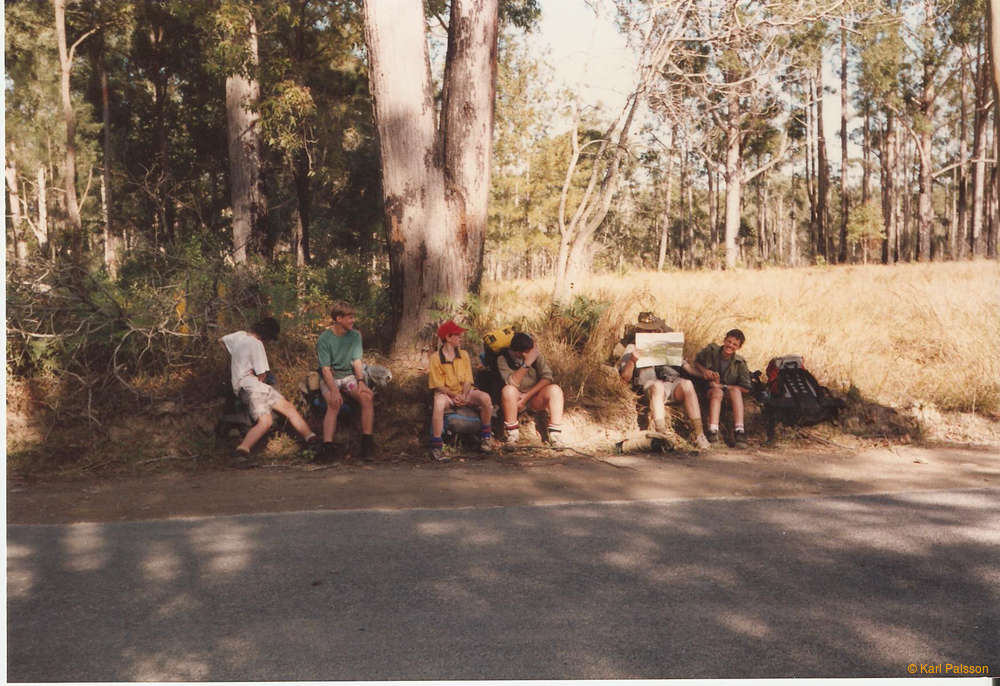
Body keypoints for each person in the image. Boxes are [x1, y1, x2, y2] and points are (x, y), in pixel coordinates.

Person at [221, 318, 318, 464]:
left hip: (245, 386)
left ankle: (311, 438)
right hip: (254, 388)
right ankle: (242, 451)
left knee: (287, 409)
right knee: (266, 421)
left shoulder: (239, 336)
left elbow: (221, 341)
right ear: (265, 335)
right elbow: (262, 374)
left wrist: (237, 361)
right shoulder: (257, 344)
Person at [617, 313, 710, 450]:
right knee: (658, 386)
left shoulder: (667, 345)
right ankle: (662, 435)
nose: (652, 332)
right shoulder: (632, 348)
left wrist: (704, 374)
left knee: (687, 384)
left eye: (654, 329)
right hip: (651, 386)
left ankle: (699, 435)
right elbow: (624, 377)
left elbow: (688, 369)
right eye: (647, 330)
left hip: (671, 383)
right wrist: (632, 361)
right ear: (640, 331)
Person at [427, 320, 494, 461]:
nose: (460, 338)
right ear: (448, 338)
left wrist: (463, 395)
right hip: (447, 394)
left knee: (486, 398)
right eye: (457, 335)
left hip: (464, 392)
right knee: (438, 403)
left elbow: (468, 379)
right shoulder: (435, 358)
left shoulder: (464, 354)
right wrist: (454, 395)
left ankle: (486, 438)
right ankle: (436, 446)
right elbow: (437, 385)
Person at [316, 302, 375, 461]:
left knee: (366, 397)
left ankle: (367, 444)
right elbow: (325, 369)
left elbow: (357, 361)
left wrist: (361, 381)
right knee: (334, 403)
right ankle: (327, 446)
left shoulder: (355, 335)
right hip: (330, 377)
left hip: (349, 376)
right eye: (350, 317)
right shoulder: (325, 339)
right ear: (338, 318)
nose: (353, 320)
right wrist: (334, 390)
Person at [496, 332, 565, 447]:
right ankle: (512, 435)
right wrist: (527, 363)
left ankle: (555, 436)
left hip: (534, 396)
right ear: (518, 353)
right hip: (515, 400)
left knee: (555, 390)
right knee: (508, 390)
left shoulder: (535, 355)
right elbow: (512, 382)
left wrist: (527, 396)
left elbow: (547, 377)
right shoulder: (502, 359)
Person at [693, 328, 752, 449]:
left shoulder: (740, 363)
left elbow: (746, 388)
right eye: (729, 342)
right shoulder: (711, 351)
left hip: (725, 390)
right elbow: (696, 362)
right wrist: (705, 371)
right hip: (709, 389)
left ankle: (739, 430)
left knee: (735, 391)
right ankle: (713, 431)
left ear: (739, 347)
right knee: (717, 392)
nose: (730, 345)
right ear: (724, 340)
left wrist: (723, 386)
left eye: (735, 344)